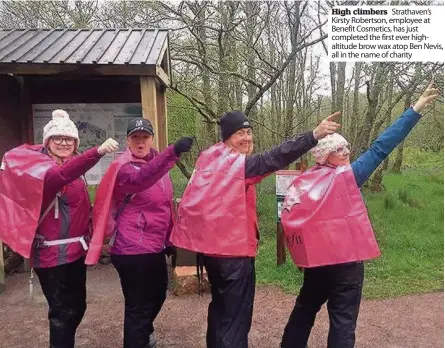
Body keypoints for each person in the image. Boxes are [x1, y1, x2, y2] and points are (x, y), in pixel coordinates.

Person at [280, 82, 439, 348]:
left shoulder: (303, 182)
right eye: (340, 150)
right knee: (343, 320)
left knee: (305, 309)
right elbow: (381, 147)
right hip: (346, 262)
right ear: (325, 156)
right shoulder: (350, 176)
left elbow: (292, 221)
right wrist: (415, 110)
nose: (347, 152)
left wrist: (300, 258)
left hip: (316, 263)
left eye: (346, 147)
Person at [170, 110, 341, 348]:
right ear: (227, 137)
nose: (247, 138)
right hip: (233, 255)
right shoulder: (235, 165)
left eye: (249, 132)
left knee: (220, 310)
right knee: (235, 319)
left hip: (212, 252)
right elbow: (273, 158)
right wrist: (313, 135)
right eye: (240, 133)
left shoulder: (210, 157)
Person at [0, 109, 119, 348]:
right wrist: (96, 152)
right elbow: (61, 176)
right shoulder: (42, 170)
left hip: (75, 252)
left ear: (75, 142)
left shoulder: (71, 168)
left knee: (77, 307)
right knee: (61, 313)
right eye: (58, 138)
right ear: (48, 142)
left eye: (69, 139)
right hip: (50, 255)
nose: (64, 143)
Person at [87, 117, 193, 348]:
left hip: (154, 246)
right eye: (135, 137)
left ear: (152, 139)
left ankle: (144, 333)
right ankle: (139, 337)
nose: (141, 142)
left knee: (157, 294)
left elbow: (164, 205)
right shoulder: (123, 167)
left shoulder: (157, 164)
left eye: (145, 137)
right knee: (138, 305)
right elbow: (140, 181)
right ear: (128, 140)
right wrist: (173, 151)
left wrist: (170, 237)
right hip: (131, 247)